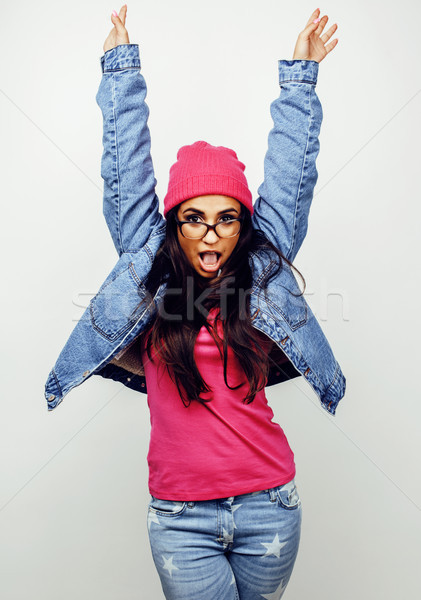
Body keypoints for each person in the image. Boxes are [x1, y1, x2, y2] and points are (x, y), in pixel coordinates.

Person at [45, 5, 344, 599]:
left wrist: (302, 78)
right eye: (194, 218)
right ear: (174, 223)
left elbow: (290, 176)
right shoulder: (146, 269)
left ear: (244, 225)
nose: (211, 233)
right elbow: (126, 171)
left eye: (226, 218)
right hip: (181, 519)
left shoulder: (264, 267)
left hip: (270, 507)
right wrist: (119, 67)